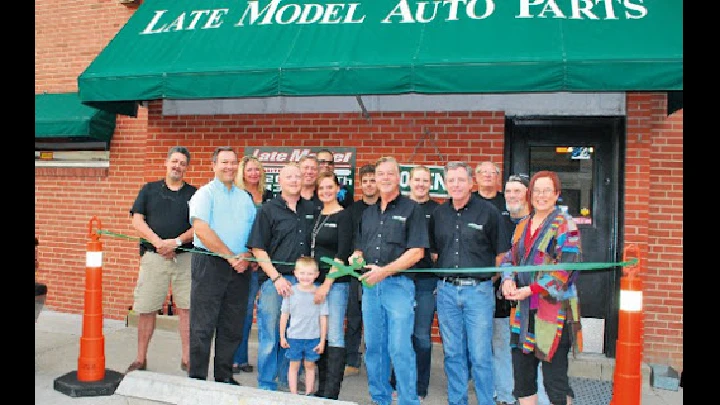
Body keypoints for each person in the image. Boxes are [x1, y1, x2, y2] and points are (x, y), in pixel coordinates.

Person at [428, 161, 510, 405]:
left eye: (460, 180)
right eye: (450, 180)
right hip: (446, 292)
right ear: (445, 184)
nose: (455, 185)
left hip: (478, 293)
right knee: (453, 353)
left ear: (471, 183)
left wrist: (485, 281)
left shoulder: (489, 213)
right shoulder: (439, 214)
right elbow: (435, 253)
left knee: (481, 354)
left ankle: (486, 401)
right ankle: (457, 401)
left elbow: (501, 255)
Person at [500, 171, 583, 405]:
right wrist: (507, 279)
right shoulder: (522, 225)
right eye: (537, 190)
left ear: (556, 194)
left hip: (553, 313)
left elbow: (566, 269)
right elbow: (509, 259)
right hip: (523, 314)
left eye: (547, 190)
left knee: (555, 382)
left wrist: (531, 289)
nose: (541, 195)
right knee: (523, 380)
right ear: (530, 194)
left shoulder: (566, 225)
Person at [351, 156, 428, 405]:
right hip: (370, 288)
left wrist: (385, 271)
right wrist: (355, 257)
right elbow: (360, 248)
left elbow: (417, 252)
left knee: (399, 348)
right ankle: (380, 398)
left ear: (398, 178)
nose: (384, 178)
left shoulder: (412, 210)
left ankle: (408, 401)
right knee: (374, 349)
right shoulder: (368, 214)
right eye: (379, 174)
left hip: (398, 287)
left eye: (389, 174)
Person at [187, 146, 257, 385]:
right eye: (224, 162)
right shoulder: (204, 194)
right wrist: (230, 256)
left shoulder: (244, 198)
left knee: (232, 324)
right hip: (210, 264)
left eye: (232, 162)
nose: (229, 167)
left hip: (240, 268)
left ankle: (224, 375)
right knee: (202, 325)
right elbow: (202, 230)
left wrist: (247, 255)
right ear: (214, 165)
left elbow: (253, 234)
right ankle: (196, 377)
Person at [247, 162, 317, 391]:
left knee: (296, 334)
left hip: (304, 284)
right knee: (270, 335)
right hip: (274, 282)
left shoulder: (312, 209)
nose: (295, 180)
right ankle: (267, 383)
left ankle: (288, 378)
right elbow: (258, 248)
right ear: (280, 181)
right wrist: (276, 278)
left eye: (298, 176)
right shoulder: (268, 209)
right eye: (289, 177)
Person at [127, 146, 197, 373]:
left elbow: (199, 227)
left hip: (184, 258)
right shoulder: (149, 190)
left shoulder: (194, 194)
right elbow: (137, 221)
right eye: (174, 161)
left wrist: (175, 242)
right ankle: (140, 359)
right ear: (167, 163)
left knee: (186, 309)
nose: (178, 166)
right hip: (153, 258)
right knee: (147, 309)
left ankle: (187, 359)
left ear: (187, 168)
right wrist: (159, 242)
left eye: (182, 164)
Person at [389, 165, 439, 401]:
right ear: (409, 181)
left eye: (425, 180)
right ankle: (395, 383)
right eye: (417, 179)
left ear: (431, 183)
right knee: (398, 336)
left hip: (425, 282)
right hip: (398, 280)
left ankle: (419, 387)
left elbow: (442, 248)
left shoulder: (438, 211)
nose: (420, 184)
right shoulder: (400, 207)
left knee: (421, 336)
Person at [310, 171, 354, 399]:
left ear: (338, 189)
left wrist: (327, 284)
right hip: (314, 284)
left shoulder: (345, 216)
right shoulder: (317, 214)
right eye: (321, 188)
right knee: (320, 335)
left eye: (330, 187)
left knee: (335, 334)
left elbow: (342, 253)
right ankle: (321, 388)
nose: (326, 191)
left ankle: (331, 392)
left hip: (335, 285)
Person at [231, 156, 274, 374]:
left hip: (264, 263)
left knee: (264, 313)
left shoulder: (269, 197)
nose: (254, 173)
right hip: (244, 261)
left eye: (257, 169)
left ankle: (250, 359)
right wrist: (248, 255)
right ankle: (237, 359)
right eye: (250, 170)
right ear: (243, 172)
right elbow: (238, 228)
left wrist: (260, 257)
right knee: (244, 312)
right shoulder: (238, 196)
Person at [492, 173, 530, 405]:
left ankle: (529, 394)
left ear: (528, 193)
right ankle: (505, 394)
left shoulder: (538, 221)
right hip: (503, 295)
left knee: (529, 349)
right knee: (501, 344)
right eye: (508, 191)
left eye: (517, 191)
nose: (512, 195)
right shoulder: (499, 219)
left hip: (531, 297)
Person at [344, 163, 378, 377]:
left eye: (372, 180)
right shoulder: (353, 210)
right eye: (365, 181)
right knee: (354, 317)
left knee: (376, 320)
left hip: (378, 272)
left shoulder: (384, 208)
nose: (368, 185)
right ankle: (351, 361)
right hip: (355, 273)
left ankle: (376, 360)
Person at [279, 257, 329, 396]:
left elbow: (323, 318)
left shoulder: (319, 293)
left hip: (313, 337)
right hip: (294, 337)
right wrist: (282, 336)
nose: (305, 277)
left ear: (317, 274)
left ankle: (308, 393)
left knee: (310, 366)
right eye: (302, 273)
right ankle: (293, 394)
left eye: (310, 273)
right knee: (294, 365)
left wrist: (322, 340)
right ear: (295, 273)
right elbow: (284, 315)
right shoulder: (291, 292)